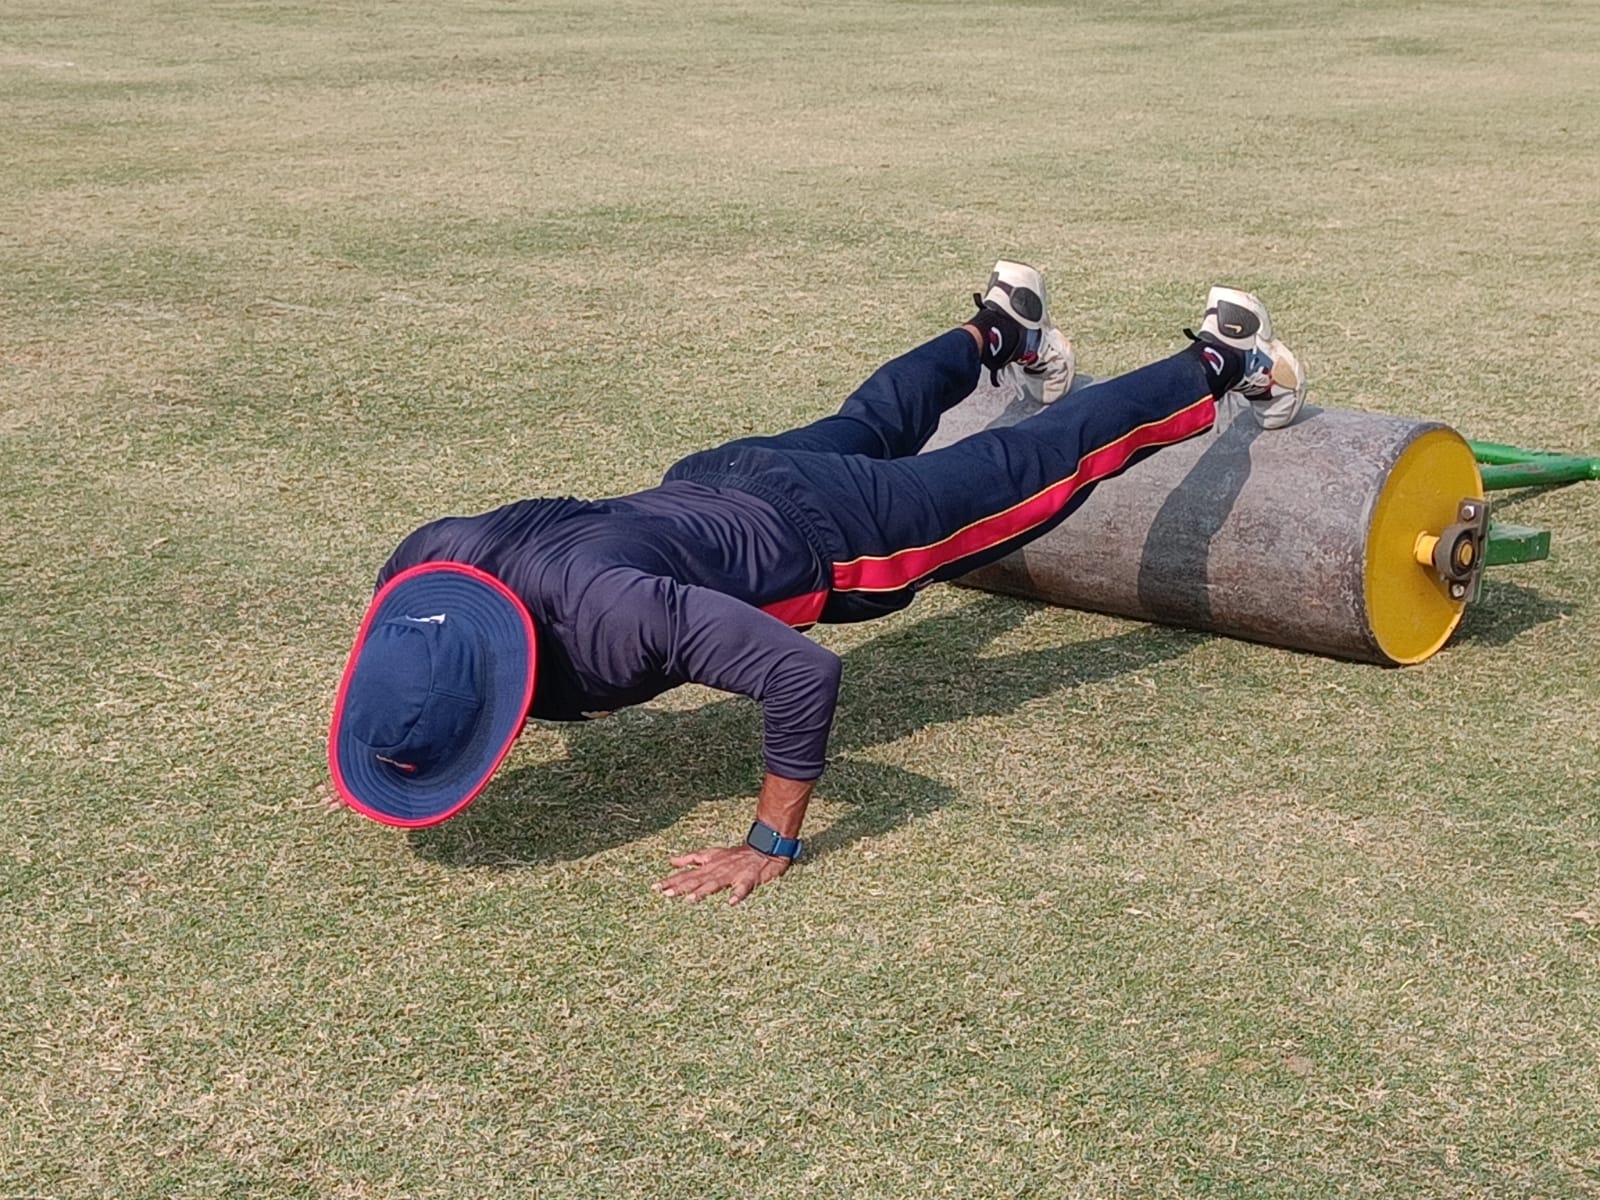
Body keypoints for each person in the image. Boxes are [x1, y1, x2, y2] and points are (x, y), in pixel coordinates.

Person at [328, 262, 1307, 904]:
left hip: (841, 536)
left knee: (1039, 463)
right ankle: (999, 327)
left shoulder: (612, 621)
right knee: (872, 419)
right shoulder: (431, 557)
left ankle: (1226, 358)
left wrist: (770, 843)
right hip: (722, 473)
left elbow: (801, 674)